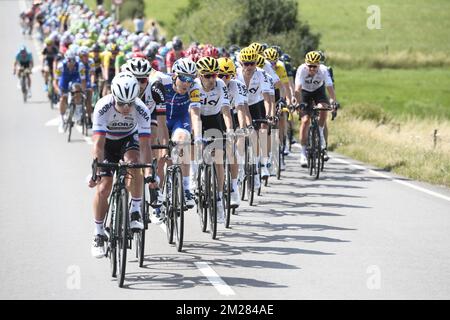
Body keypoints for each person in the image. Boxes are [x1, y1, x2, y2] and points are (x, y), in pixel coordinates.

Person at [89, 72, 156, 258]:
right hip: (107, 142)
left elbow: (145, 144)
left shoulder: (140, 108)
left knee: (134, 164)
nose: (126, 108)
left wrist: (149, 170)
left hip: (128, 139)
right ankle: (98, 232)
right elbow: (98, 144)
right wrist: (97, 170)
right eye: (121, 103)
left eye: (130, 103)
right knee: (103, 187)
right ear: (114, 97)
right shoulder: (103, 106)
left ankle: (135, 209)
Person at [192, 57, 234, 224]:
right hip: (198, 117)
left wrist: (230, 130)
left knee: (218, 157)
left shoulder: (220, 85)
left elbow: (225, 111)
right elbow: (194, 112)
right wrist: (196, 136)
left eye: (214, 75)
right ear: (200, 75)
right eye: (207, 75)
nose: (211, 79)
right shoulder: (194, 86)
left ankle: (218, 197)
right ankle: (195, 179)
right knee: (194, 147)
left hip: (215, 118)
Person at [217, 57, 251, 207]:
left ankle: (234, 188)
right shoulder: (211, 84)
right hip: (214, 116)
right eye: (220, 76)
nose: (224, 79)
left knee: (232, 150)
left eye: (228, 76)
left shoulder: (236, 86)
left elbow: (241, 109)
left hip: (231, 115)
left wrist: (242, 128)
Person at [294, 51, 337, 167]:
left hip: (318, 91)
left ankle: (321, 136)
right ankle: (303, 154)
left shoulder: (323, 70)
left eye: (315, 66)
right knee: (305, 120)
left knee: (323, 109)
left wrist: (333, 101)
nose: (312, 69)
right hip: (305, 92)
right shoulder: (301, 69)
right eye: (310, 66)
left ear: (319, 65)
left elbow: (329, 86)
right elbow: (297, 89)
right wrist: (298, 104)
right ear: (306, 64)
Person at [54, 50, 82, 132]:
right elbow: (55, 81)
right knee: (63, 98)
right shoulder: (60, 66)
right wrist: (58, 91)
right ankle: (62, 120)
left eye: (73, 60)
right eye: (69, 60)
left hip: (75, 77)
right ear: (66, 60)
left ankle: (77, 110)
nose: (72, 62)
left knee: (77, 89)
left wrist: (82, 91)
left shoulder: (80, 65)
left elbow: (83, 81)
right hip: (64, 79)